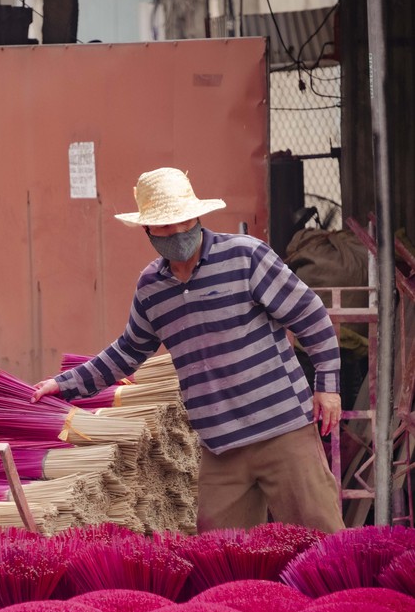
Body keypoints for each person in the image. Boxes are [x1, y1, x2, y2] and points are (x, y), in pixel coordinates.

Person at [32, 167, 345, 533]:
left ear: (197, 216)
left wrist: (327, 386)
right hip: (220, 447)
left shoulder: (246, 257)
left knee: (323, 541)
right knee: (221, 560)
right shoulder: (152, 287)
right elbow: (128, 350)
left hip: (283, 432)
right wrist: (64, 384)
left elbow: (310, 316)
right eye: (164, 227)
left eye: (182, 220)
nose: (177, 232)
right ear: (147, 231)